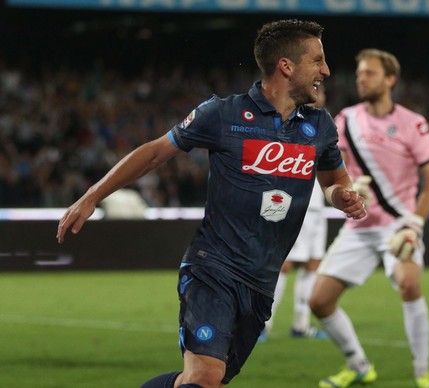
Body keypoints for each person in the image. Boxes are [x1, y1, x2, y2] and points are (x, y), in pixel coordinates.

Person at [56, 19, 367, 388]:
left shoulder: (320, 126)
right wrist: (92, 196)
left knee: (203, 381)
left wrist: (342, 197)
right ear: (286, 65)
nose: (326, 71)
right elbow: (156, 153)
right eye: (317, 60)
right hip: (212, 268)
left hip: (261, 282)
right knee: (205, 376)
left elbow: (334, 181)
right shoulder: (224, 114)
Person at [309, 48, 429, 388]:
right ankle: (358, 365)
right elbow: (333, 171)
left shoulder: (413, 123)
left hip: (399, 226)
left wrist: (415, 224)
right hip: (358, 227)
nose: (361, 79)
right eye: (359, 74)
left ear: (390, 80)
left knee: (410, 283)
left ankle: (422, 372)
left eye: (369, 73)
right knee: (319, 301)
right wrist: (352, 189)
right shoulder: (346, 120)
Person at [260, 85, 329, 342]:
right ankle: (264, 324)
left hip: (316, 204)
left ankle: (301, 324)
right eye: (315, 90)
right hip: (291, 200)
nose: (319, 95)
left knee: (313, 263)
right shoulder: (287, 121)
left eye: (321, 92)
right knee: (284, 264)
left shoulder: (325, 125)